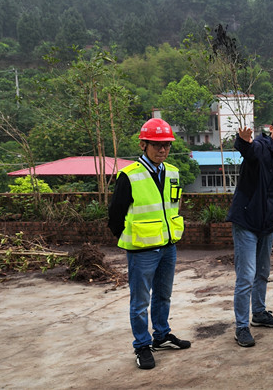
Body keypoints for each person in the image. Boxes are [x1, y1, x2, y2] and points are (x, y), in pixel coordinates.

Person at [108, 118, 190, 370]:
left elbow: (172, 206)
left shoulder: (173, 172)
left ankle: (161, 335)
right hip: (142, 250)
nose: (162, 149)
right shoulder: (129, 175)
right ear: (143, 145)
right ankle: (142, 345)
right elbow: (115, 215)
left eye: (166, 145)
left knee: (163, 295)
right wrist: (132, 238)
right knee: (140, 301)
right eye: (156, 145)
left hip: (168, 246)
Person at [227, 113, 273, 347]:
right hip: (246, 220)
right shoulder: (260, 145)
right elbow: (248, 150)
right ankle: (241, 326)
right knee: (246, 276)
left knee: (263, 272)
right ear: (271, 128)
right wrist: (243, 141)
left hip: (267, 223)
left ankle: (259, 312)